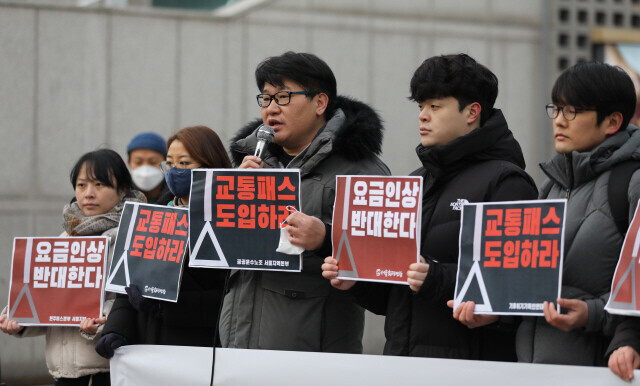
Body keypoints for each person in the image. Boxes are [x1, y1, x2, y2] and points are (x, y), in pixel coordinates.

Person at [322, 53, 538, 360]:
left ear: (472, 112)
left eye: (435, 106)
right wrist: (357, 280)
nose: (423, 115)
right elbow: (393, 298)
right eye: (421, 106)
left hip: (471, 368)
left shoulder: (507, 182)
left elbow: (518, 291)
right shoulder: (415, 182)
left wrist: (436, 277)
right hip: (403, 362)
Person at [453, 61, 640, 366]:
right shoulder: (551, 185)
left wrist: (591, 315)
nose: (559, 121)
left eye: (573, 111)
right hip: (533, 368)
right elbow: (527, 285)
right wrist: (495, 310)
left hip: (600, 370)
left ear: (612, 122)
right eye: (556, 109)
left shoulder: (631, 183)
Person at [218, 51, 390, 353]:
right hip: (238, 346)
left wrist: (326, 238)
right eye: (266, 98)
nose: (271, 108)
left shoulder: (361, 171)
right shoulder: (252, 164)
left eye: (283, 97)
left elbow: (383, 266)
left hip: (313, 354)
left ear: (320, 103)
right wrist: (230, 197)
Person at [0, 149, 144, 386]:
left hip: (107, 371)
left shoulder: (132, 237)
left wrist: (103, 318)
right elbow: (49, 300)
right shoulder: (64, 238)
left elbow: (132, 300)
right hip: (62, 372)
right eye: (81, 185)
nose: (88, 193)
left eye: (99, 184)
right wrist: (18, 317)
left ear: (122, 190)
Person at [96, 125, 232, 358]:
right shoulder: (151, 217)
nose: (175, 170)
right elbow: (127, 285)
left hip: (196, 352)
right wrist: (117, 329)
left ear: (211, 167)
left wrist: (165, 306)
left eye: (185, 163)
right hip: (147, 346)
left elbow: (226, 299)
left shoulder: (225, 223)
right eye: (170, 163)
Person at [126, 132, 172, 205]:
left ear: (166, 163)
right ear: (129, 163)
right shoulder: (120, 195)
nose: (145, 169)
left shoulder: (177, 198)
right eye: (138, 162)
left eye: (153, 162)